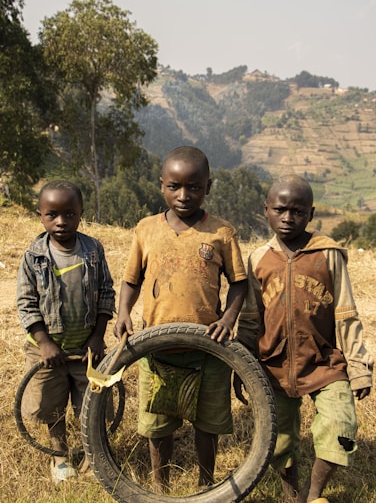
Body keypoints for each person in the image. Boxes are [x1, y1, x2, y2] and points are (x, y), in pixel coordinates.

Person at [114, 146, 247, 492]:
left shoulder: (221, 233)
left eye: (194, 187)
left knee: (209, 424)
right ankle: (161, 488)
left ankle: (207, 487)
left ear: (208, 187)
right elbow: (131, 280)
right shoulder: (146, 230)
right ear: (161, 186)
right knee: (159, 428)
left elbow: (239, 284)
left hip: (210, 347)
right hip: (156, 349)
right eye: (174, 186)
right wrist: (124, 313)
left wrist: (228, 319)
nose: (184, 195)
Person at [236, 174, 373, 503]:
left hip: (324, 363)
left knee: (341, 424)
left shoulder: (328, 255)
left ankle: (314, 495)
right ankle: (291, 495)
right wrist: (241, 366)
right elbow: (250, 320)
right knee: (279, 439)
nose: (287, 218)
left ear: (311, 214)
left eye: (297, 211)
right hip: (273, 366)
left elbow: (346, 313)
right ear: (266, 210)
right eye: (280, 209)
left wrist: (358, 366)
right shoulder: (258, 259)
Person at [17, 180, 115, 484]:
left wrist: (98, 336)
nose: (61, 222)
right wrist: (44, 342)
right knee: (52, 404)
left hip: (87, 348)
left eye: (69, 214)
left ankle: (92, 452)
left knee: (92, 402)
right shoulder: (33, 257)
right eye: (52, 214)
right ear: (41, 215)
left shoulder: (93, 249)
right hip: (48, 351)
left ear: (81, 212)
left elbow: (106, 292)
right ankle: (59, 454)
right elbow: (26, 302)